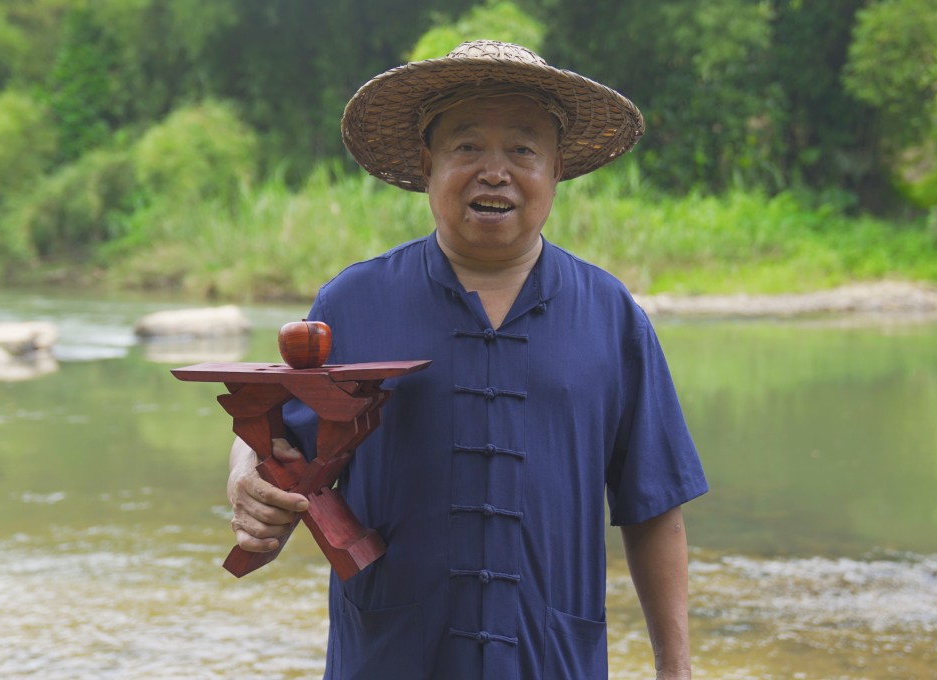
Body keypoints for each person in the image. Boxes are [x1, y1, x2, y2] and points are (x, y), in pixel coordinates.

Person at [227, 40, 708, 680]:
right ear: (427, 163)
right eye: (466, 146)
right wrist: (244, 477)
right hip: (391, 658)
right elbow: (270, 432)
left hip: (552, 661)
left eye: (522, 149)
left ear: (557, 168)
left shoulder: (612, 316)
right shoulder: (354, 301)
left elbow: (653, 511)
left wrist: (675, 670)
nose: (494, 170)